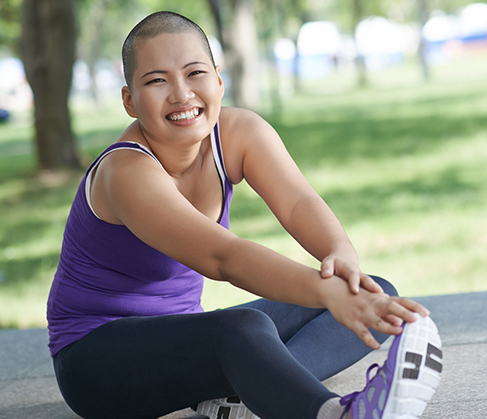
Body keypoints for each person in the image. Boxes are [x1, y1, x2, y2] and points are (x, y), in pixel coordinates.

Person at [46, 11, 443, 419]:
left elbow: (298, 203)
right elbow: (224, 258)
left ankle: (249, 396)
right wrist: (327, 291)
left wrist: (340, 256)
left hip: (187, 341)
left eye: (194, 73)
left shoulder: (239, 133)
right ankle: (334, 415)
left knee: (375, 291)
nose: (182, 94)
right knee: (243, 330)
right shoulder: (125, 173)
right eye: (157, 80)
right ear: (130, 100)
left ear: (219, 80)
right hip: (96, 361)